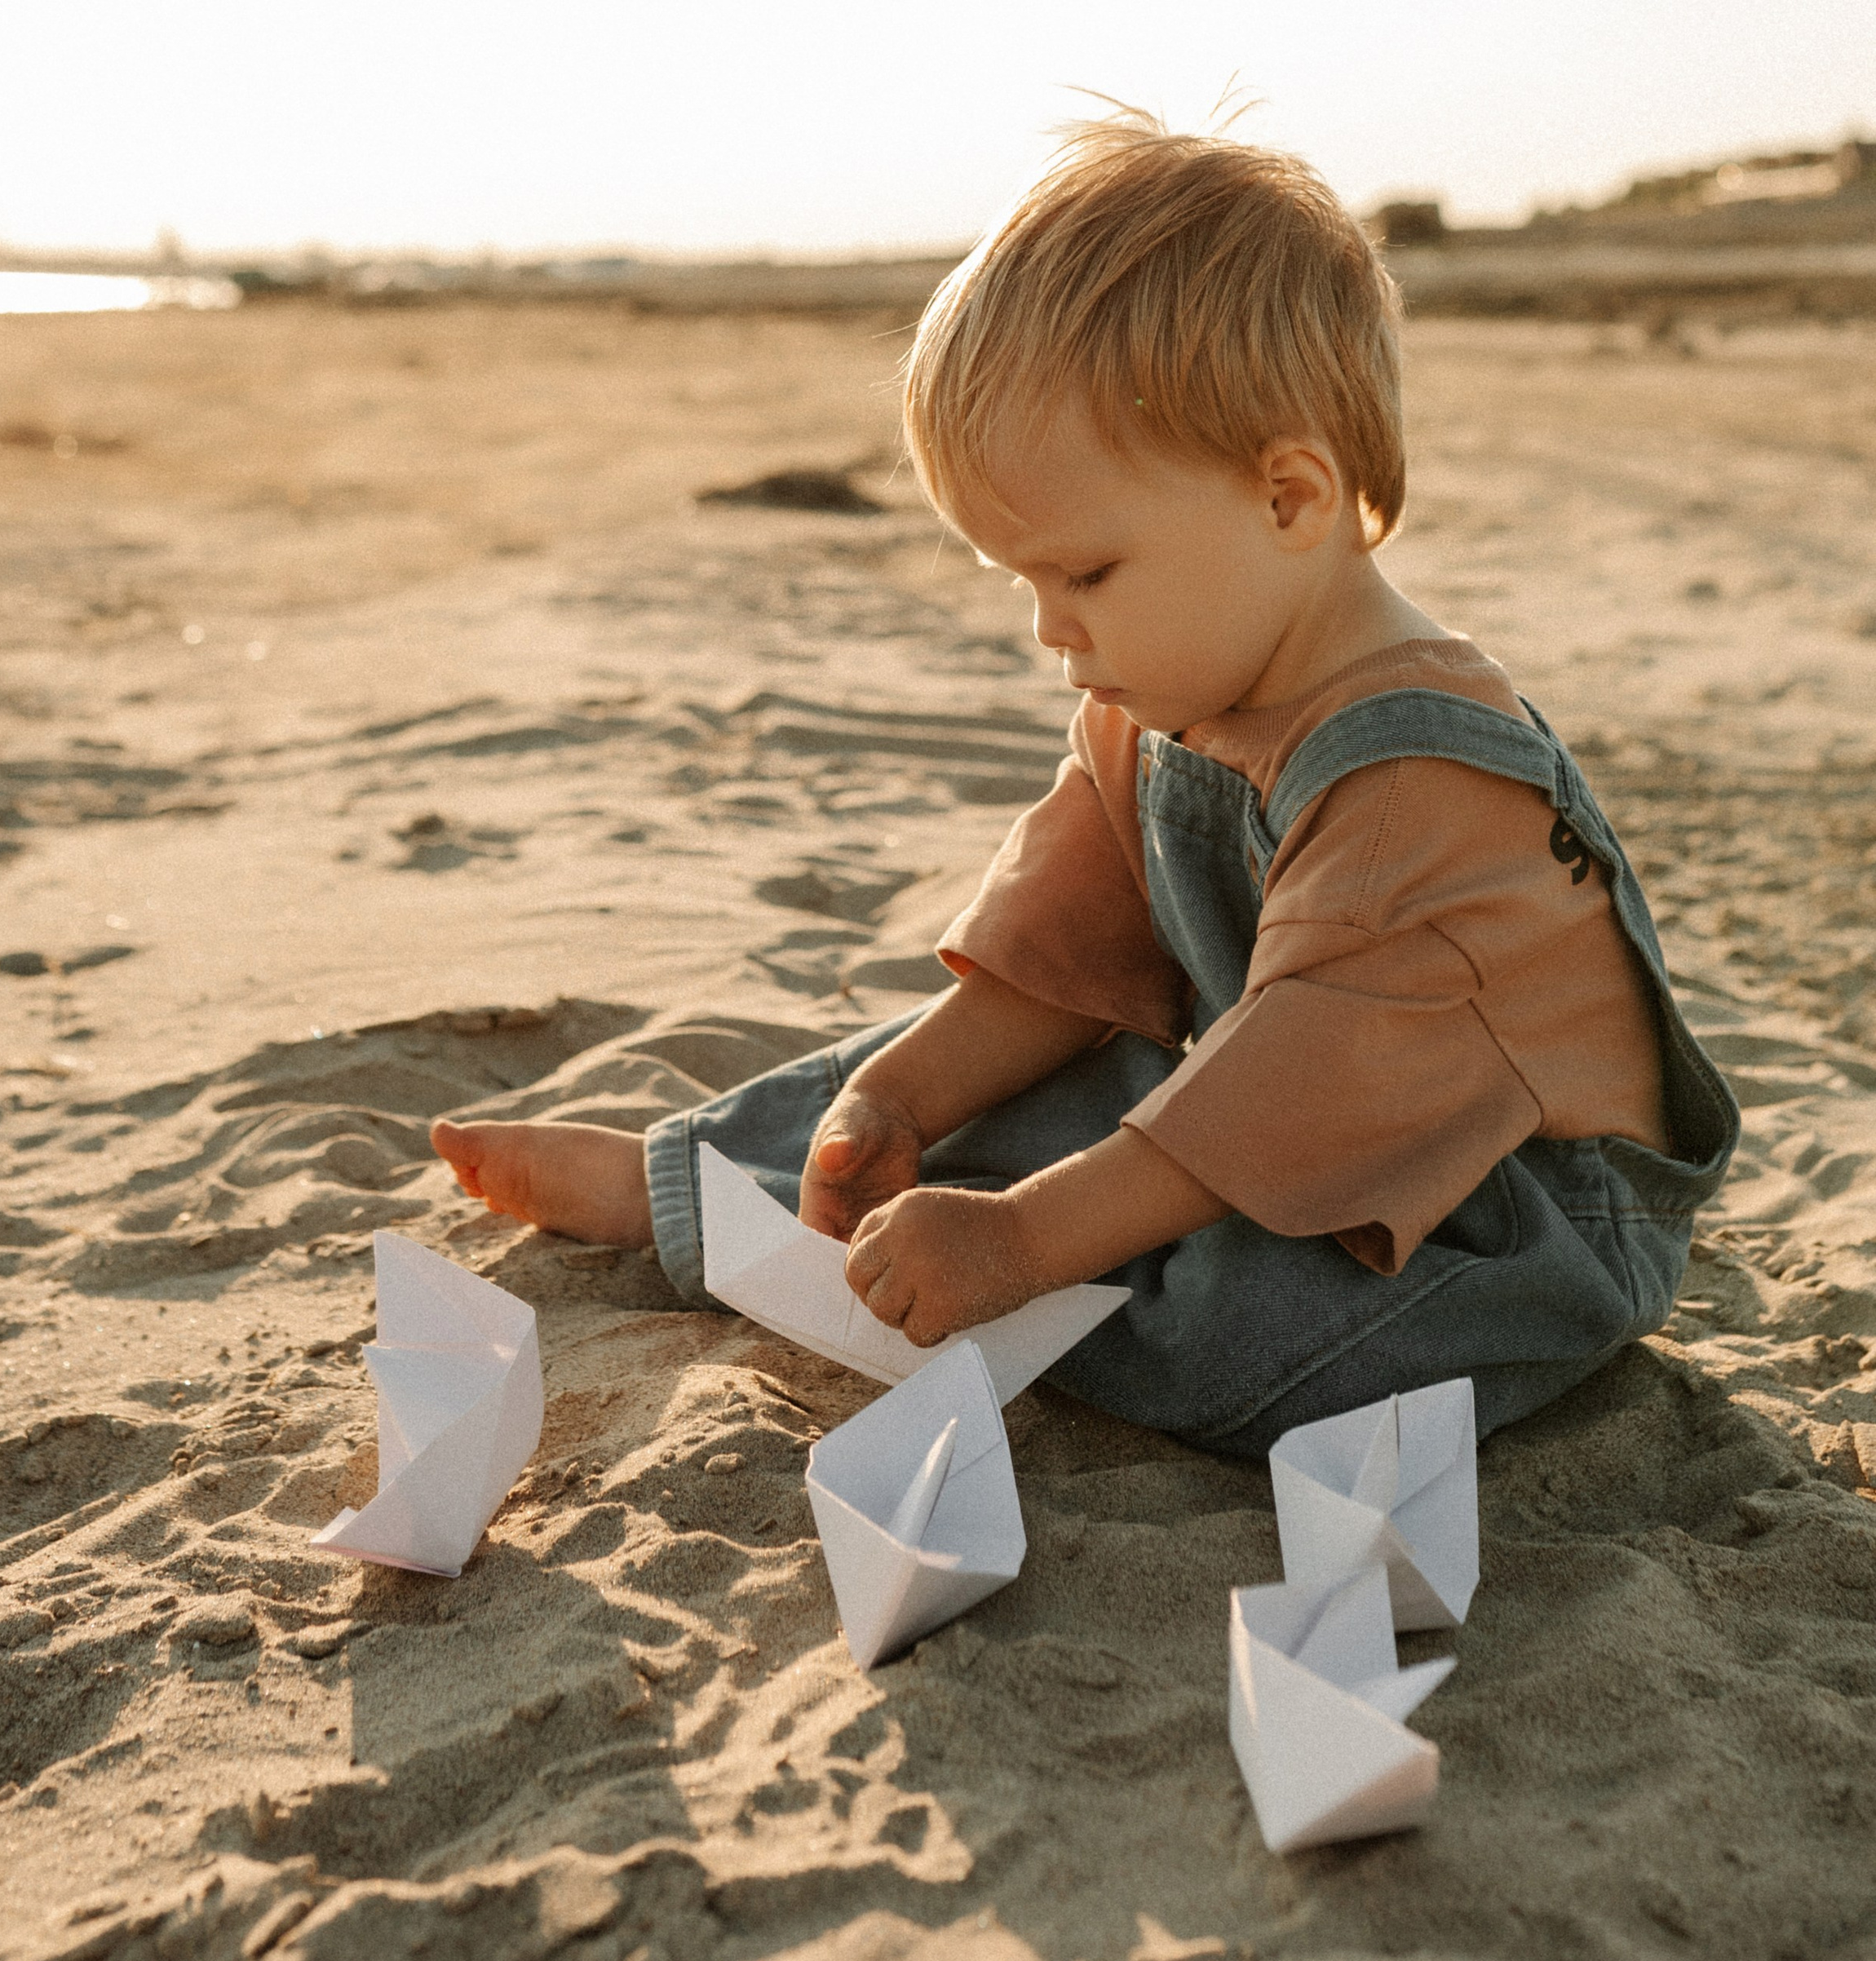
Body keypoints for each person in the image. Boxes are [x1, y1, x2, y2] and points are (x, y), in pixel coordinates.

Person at [431, 113, 1737, 1455]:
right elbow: (1057, 963)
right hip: (1267, 1109)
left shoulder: (1418, 781)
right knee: (998, 1094)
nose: (1055, 630)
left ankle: (961, 1284)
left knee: (1237, 1329)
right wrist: (905, 1094)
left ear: (1289, 498)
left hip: (1499, 1221)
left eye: (1087, 575)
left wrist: (1020, 1242)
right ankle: (700, 1189)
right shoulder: (1175, 689)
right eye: (1026, 586)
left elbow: (1289, 1098)